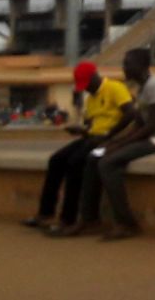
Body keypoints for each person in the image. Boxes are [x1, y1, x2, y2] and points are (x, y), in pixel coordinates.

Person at [53, 49, 155, 241]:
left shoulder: (154, 86)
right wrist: (116, 142)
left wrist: (120, 145)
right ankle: (89, 219)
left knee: (108, 163)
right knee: (94, 156)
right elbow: (139, 122)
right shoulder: (142, 88)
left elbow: (151, 126)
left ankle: (126, 223)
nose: (124, 68)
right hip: (148, 137)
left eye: (127, 64)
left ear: (141, 66)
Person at [25, 61, 131, 232]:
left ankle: (68, 218)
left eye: (87, 85)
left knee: (75, 163)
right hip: (91, 137)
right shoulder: (90, 99)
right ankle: (45, 212)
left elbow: (130, 113)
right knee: (56, 160)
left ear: (94, 77)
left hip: (109, 139)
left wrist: (110, 134)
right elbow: (91, 125)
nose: (86, 89)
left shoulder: (115, 88)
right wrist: (81, 130)